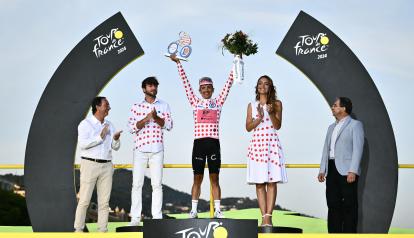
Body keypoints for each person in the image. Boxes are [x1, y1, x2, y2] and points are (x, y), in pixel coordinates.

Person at [170, 54, 234, 218]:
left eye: (208, 88)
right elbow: (185, 83)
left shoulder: (218, 102)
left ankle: (218, 210)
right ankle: (193, 210)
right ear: (199, 90)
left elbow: (229, 83)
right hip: (198, 144)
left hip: (213, 144)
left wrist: (237, 59)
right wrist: (178, 64)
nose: (206, 91)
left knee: (215, 178)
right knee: (197, 178)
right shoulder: (194, 101)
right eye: (203, 89)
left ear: (212, 89)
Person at [127, 76, 173, 226]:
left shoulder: (164, 105)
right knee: (137, 184)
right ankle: (135, 218)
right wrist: (147, 119)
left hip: (157, 149)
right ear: (144, 89)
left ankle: (157, 218)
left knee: (157, 184)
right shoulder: (135, 106)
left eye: (155, 85)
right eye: (150, 85)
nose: (153, 88)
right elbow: (131, 128)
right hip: (140, 149)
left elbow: (169, 125)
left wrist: (156, 117)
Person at [74, 96, 122, 232]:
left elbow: (115, 147)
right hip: (89, 164)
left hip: (107, 165)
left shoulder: (110, 125)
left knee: (104, 202)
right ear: (97, 107)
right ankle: (78, 230)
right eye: (106, 105)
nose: (109, 108)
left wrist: (116, 139)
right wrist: (99, 137)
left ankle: (102, 231)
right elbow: (83, 144)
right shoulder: (85, 124)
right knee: (84, 200)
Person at [245, 75, 287, 227]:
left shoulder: (276, 104)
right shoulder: (251, 105)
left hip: (271, 144)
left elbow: (277, 126)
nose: (262, 86)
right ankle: (263, 216)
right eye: (260, 83)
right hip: (257, 145)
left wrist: (269, 113)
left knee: (272, 182)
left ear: (271, 87)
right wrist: (259, 118)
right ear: (257, 87)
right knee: (259, 183)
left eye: (266, 84)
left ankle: (269, 216)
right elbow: (248, 127)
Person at [317, 97, 364, 233]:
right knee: (332, 204)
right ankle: (334, 234)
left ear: (343, 109)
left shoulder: (355, 125)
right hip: (331, 169)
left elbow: (358, 149)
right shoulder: (330, 127)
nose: (332, 107)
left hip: (347, 171)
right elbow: (326, 149)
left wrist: (353, 170)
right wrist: (322, 170)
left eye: (335, 105)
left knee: (349, 205)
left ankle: (349, 235)